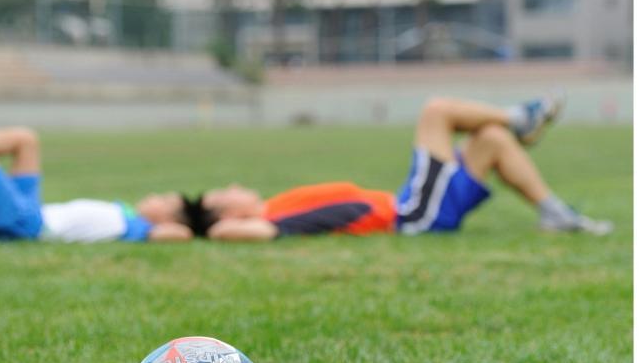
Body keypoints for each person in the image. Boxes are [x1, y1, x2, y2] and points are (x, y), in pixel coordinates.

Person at [186, 96, 613, 241]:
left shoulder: (272, 205)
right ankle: (519, 117)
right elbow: (226, 232)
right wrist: (205, 226)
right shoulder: (267, 220)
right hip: (412, 214)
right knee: (436, 111)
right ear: (229, 214)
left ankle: (554, 212)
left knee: (490, 142)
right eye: (226, 193)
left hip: (414, 206)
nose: (236, 184)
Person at [0, 117, 194, 246]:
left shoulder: (143, 229)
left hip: (30, 226)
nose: (155, 195)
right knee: (26, 140)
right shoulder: (126, 212)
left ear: (167, 218)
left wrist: (199, 220)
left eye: (164, 201)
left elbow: (183, 235)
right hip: (33, 210)